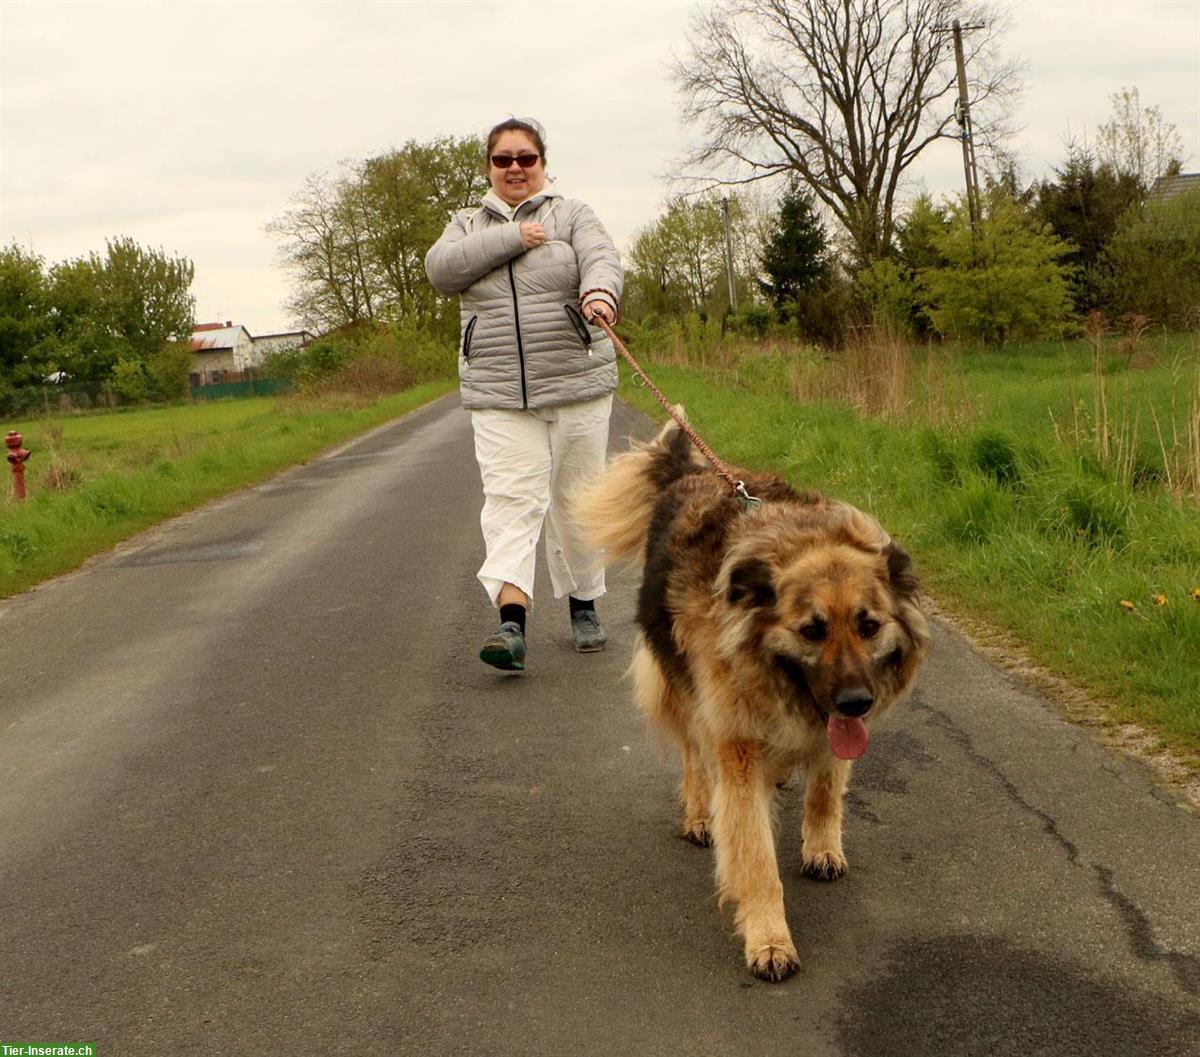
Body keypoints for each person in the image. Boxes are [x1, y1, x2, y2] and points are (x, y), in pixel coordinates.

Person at [425, 118, 623, 672]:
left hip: (576, 383)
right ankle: (511, 624)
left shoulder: (571, 213)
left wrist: (600, 295)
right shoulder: (464, 224)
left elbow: (601, 257)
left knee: (577, 499)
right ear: (489, 167)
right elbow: (441, 272)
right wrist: (513, 237)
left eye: (526, 158)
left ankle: (584, 606)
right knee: (512, 501)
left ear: (542, 163)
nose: (515, 168)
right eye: (503, 159)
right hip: (496, 390)